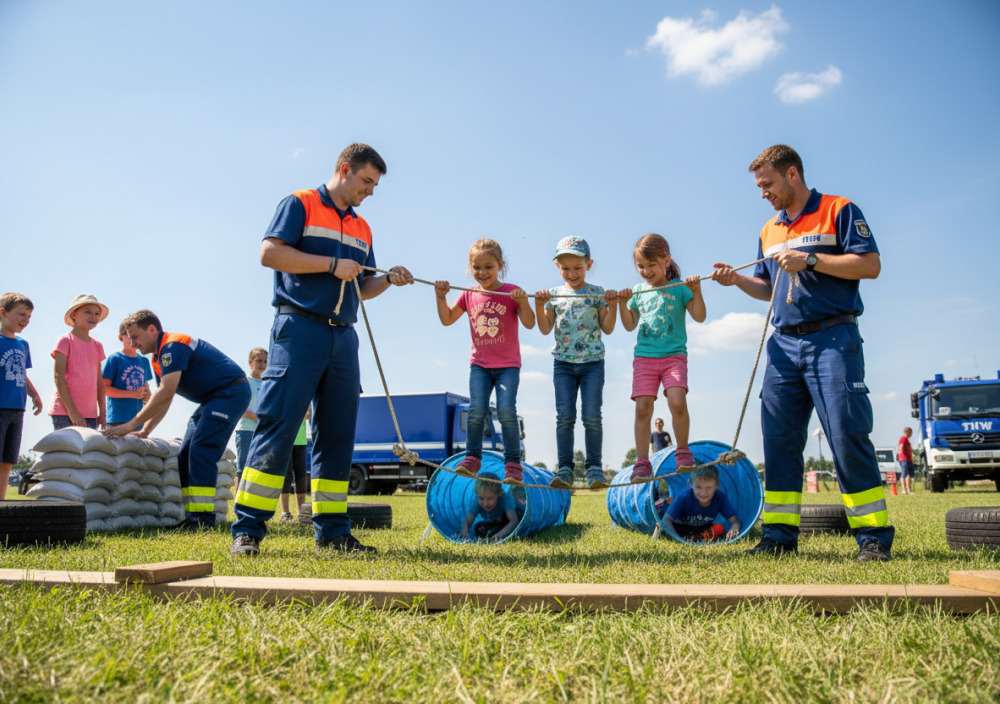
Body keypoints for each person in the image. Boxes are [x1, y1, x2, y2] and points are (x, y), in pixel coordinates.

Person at [711, 144, 894, 562]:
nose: (763, 193)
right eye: (759, 187)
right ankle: (779, 536)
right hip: (783, 344)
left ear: (792, 174)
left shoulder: (840, 209)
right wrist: (736, 281)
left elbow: (870, 265)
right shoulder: (768, 230)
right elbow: (767, 286)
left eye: (767, 184)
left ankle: (872, 538)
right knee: (778, 440)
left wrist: (810, 259)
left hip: (833, 339)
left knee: (846, 435)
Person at [230, 143, 414, 556]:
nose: (370, 191)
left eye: (375, 185)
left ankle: (332, 533)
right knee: (278, 424)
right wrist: (331, 265)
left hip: (343, 336)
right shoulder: (300, 203)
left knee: (337, 434)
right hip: (298, 328)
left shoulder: (364, 228)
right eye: (366, 181)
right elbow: (269, 253)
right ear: (344, 169)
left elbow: (362, 287)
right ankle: (248, 531)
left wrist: (388, 279)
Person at [105, 310, 250, 530]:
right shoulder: (157, 358)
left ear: (152, 330)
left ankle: (203, 520)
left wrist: (131, 424)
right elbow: (165, 398)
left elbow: (164, 392)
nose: (133, 344)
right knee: (185, 452)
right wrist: (145, 431)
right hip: (213, 399)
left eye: (135, 336)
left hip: (231, 393)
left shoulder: (173, 346)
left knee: (201, 448)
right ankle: (194, 517)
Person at [435, 238, 535, 482]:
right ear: (470, 268)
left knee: (506, 411)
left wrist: (524, 302)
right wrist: (440, 297)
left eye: (488, 267)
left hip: (507, 366)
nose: (482, 272)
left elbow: (530, 323)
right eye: (476, 267)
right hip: (479, 365)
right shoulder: (469, 295)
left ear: (500, 265)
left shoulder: (511, 291)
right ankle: (472, 458)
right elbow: (447, 319)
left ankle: (513, 465)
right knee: (476, 410)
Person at [617, 234, 706, 480]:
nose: (645, 271)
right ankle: (642, 462)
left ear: (666, 261)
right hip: (645, 358)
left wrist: (696, 291)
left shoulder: (679, 288)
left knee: (677, 400)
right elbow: (629, 325)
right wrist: (621, 305)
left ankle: (683, 452)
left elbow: (699, 316)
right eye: (641, 266)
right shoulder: (637, 291)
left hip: (674, 356)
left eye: (651, 265)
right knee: (643, 407)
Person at [533, 236, 616, 490]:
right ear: (558, 267)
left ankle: (594, 469)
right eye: (565, 268)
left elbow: (608, 328)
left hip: (592, 363)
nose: (571, 273)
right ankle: (566, 469)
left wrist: (611, 305)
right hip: (563, 364)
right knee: (564, 417)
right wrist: (538, 305)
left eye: (577, 268)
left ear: (589, 264)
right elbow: (545, 328)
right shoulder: (553, 295)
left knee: (592, 416)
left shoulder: (597, 293)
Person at [0, 293, 43, 499]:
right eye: (22, 315)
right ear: (3, 313)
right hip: (0, 407)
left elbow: (22, 373)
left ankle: (1, 501)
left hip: (18, 409)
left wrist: (34, 394)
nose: (26, 320)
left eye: (29, 317)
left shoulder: (22, 345)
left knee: (7, 460)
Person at [50, 294, 108, 430]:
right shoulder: (64, 341)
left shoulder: (97, 345)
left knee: (90, 451)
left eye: (96, 313)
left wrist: (103, 412)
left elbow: (99, 382)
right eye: (87, 312)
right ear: (74, 315)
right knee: (66, 450)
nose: (93, 316)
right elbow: (58, 377)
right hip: (65, 412)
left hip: (91, 414)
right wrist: (72, 412)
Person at [661, 466, 741, 542]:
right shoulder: (684, 496)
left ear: (716, 486)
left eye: (709, 488)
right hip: (681, 527)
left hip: (702, 528)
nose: (703, 493)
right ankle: (695, 537)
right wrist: (678, 540)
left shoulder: (720, 498)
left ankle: (700, 536)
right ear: (691, 485)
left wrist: (734, 528)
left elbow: (735, 521)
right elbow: (666, 519)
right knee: (672, 529)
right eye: (698, 487)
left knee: (720, 528)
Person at [102, 318, 153, 428]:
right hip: (117, 419)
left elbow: (146, 388)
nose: (133, 340)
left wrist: (148, 396)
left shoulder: (144, 361)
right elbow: (104, 389)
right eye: (129, 336)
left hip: (139, 420)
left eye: (137, 336)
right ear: (120, 337)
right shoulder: (114, 359)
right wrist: (133, 394)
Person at [234, 347, 267, 488]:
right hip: (245, 431)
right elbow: (238, 407)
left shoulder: (267, 384)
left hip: (262, 432)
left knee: (258, 469)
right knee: (243, 468)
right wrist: (255, 418)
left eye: (265, 361)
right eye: (259, 361)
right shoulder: (245, 381)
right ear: (250, 362)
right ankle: (238, 503)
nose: (262, 365)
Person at [460, 474, 520, 543]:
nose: (485, 503)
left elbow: (514, 522)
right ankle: (493, 534)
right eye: (481, 498)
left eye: (490, 498)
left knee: (501, 531)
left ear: (500, 493)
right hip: (497, 523)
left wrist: (495, 537)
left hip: (515, 518)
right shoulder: (477, 502)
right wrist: (465, 534)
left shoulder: (506, 498)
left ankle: (496, 535)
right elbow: (467, 521)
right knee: (479, 527)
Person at [279, 414, 310, 521]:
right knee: (286, 477)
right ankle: (285, 513)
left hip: (301, 441)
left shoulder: (304, 397)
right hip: (285, 440)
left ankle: (301, 512)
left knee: (301, 477)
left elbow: (308, 414)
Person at [897, 426, 914, 495]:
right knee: (904, 474)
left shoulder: (907, 439)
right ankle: (904, 489)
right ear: (908, 432)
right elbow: (901, 447)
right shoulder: (903, 438)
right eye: (911, 432)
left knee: (909, 474)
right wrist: (901, 455)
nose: (911, 434)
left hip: (908, 459)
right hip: (904, 459)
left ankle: (908, 489)